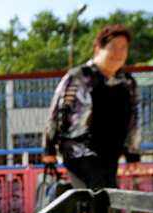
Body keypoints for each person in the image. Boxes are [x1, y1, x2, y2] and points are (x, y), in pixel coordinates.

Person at [42, 24, 141, 190]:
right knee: (97, 195)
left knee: (106, 200)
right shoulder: (79, 76)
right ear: (98, 49)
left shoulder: (128, 82)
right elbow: (57, 111)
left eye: (123, 48)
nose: (119, 53)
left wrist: (132, 152)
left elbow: (134, 117)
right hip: (78, 150)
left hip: (110, 151)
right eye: (113, 47)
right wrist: (48, 148)